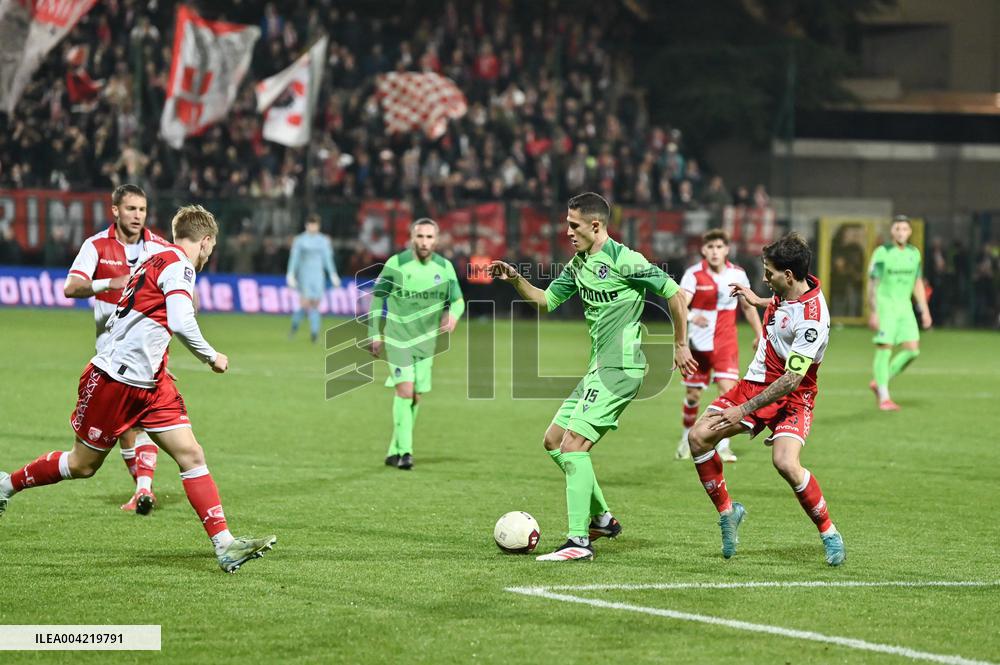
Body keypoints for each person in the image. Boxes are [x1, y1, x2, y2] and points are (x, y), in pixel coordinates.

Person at [0, 205, 276, 573]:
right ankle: (6, 485)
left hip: (151, 382)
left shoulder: (155, 257)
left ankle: (224, 544)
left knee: (191, 454)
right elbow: (180, 319)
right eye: (212, 246)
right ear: (206, 241)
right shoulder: (180, 265)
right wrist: (211, 357)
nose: (210, 254)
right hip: (115, 381)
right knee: (82, 465)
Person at [490, 192, 697, 561]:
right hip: (597, 369)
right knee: (554, 441)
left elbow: (676, 295)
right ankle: (601, 519)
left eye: (573, 225)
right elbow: (546, 301)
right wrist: (516, 280)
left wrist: (681, 345)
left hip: (620, 369)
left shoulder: (626, 260)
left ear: (595, 225)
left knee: (573, 447)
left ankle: (578, 541)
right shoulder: (578, 264)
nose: (567, 231)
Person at [684, 233, 845, 566]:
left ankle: (829, 532)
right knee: (698, 437)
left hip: (794, 394)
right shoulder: (790, 290)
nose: (765, 277)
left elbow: (791, 379)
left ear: (788, 275)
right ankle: (729, 513)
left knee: (785, 463)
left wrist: (742, 410)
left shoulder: (813, 319)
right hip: (756, 383)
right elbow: (780, 309)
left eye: (769, 272)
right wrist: (757, 300)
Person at [63, 184, 169, 514]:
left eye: (142, 210)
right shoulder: (96, 245)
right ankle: (143, 489)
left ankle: (143, 489)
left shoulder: (159, 247)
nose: (137, 216)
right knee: (130, 428)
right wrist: (108, 283)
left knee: (134, 426)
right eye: (131, 209)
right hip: (110, 354)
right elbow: (71, 287)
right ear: (115, 210)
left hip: (144, 354)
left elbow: (185, 289)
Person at [367, 218, 465, 470]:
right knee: (405, 391)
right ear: (412, 238)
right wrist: (374, 334)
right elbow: (378, 300)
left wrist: (453, 316)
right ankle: (406, 453)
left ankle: (393, 450)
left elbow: (458, 300)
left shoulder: (444, 267)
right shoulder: (396, 264)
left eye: (430, 237)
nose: (424, 242)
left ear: (437, 240)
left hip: (426, 343)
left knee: (416, 397)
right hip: (398, 338)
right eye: (420, 237)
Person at [675, 230, 762, 463]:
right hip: (698, 346)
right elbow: (681, 305)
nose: (714, 251)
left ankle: (723, 445)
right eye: (710, 247)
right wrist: (693, 318)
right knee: (693, 395)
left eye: (719, 247)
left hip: (725, 345)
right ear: (704, 250)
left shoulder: (738, 274)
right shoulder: (693, 275)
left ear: (727, 250)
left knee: (728, 393)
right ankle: (685, 439)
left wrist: (759, 333)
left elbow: (748, 306)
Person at [868, 215, 932, 410]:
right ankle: (884, 397)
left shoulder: (914, 253)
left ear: (910, 232)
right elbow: (873, 283)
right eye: (897, 229)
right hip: (886, 306)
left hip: (905, 307)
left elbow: (917, 282)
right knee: (884, 348)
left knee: (913, 350)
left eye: (905, 229)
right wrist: (873, 311)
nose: (901, 232)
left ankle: (880, 380)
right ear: (892, 231)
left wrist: (925, 310)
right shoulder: (882, 252)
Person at [287, 214, 341, 343]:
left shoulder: (323, 240)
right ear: (307, 225)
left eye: (315, 224)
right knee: (305, 304)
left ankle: (314, 334)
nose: (313, 227)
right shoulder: (300, 240)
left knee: (316, 304)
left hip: (318, 276)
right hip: (304, 275)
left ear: (318, 226)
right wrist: (290, 274)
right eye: (311, 224)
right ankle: (294, 327)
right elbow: (294, 258)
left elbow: (327, 259)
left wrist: (333, 274)